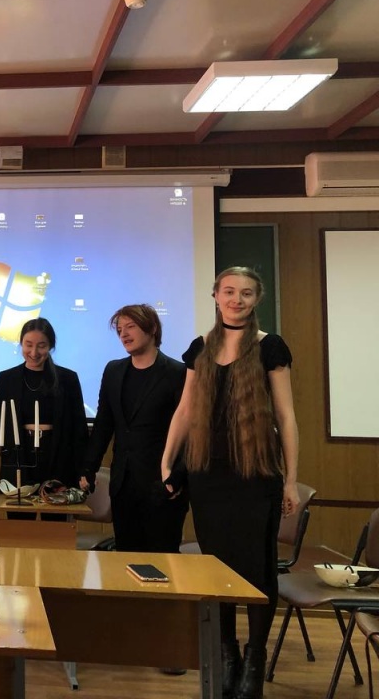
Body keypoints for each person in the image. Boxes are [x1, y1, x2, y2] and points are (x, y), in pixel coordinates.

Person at [161, 267, 299, 699]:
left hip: (256, 476)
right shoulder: (200, 348)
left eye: (246, 293)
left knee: (257, 571)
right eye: (229, 291)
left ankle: (255, 659)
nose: (236, 299)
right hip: (208, 478)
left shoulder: (270, 347)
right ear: (216, 296)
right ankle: (227, 654)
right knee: (215, 570)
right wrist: (167, 461)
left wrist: (292, 481)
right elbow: (185, 411)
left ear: (257, 300)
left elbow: (286, 417)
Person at [81, 305, 188, 552]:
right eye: (120, 329)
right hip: (123, 484)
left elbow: (189, 432)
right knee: (126, 559)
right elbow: (103, 424)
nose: (124, 334)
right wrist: (88, 468)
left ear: (152, 328)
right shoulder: (114, 371)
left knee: (162, 561)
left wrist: (177, 477)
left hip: (163, 486)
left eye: (131, 327)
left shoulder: (177, 372)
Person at [0, 318, 88, 515]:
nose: (34, 352)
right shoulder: (7, 378)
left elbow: (79, 429)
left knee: (55, 522)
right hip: (19, 457)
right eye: (28, 345)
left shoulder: (67, 379)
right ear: (21, 343)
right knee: (19, 521)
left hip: (57, 457)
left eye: (41, 346)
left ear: (51, 346)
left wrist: (84, 470)